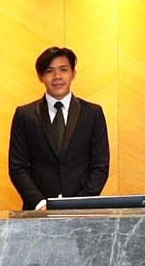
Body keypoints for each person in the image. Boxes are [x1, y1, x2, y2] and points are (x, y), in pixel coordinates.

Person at [8, 46, 110, 210]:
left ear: (73, 73)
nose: (57, 76)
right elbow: (17, 167)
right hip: (38, 212)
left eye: (63, 69)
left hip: (83, 212)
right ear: (41, 77)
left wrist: (79, 204)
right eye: (49, 71)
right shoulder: (25, 115)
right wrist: (40, 203)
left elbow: (100, 166)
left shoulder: (93, 113)